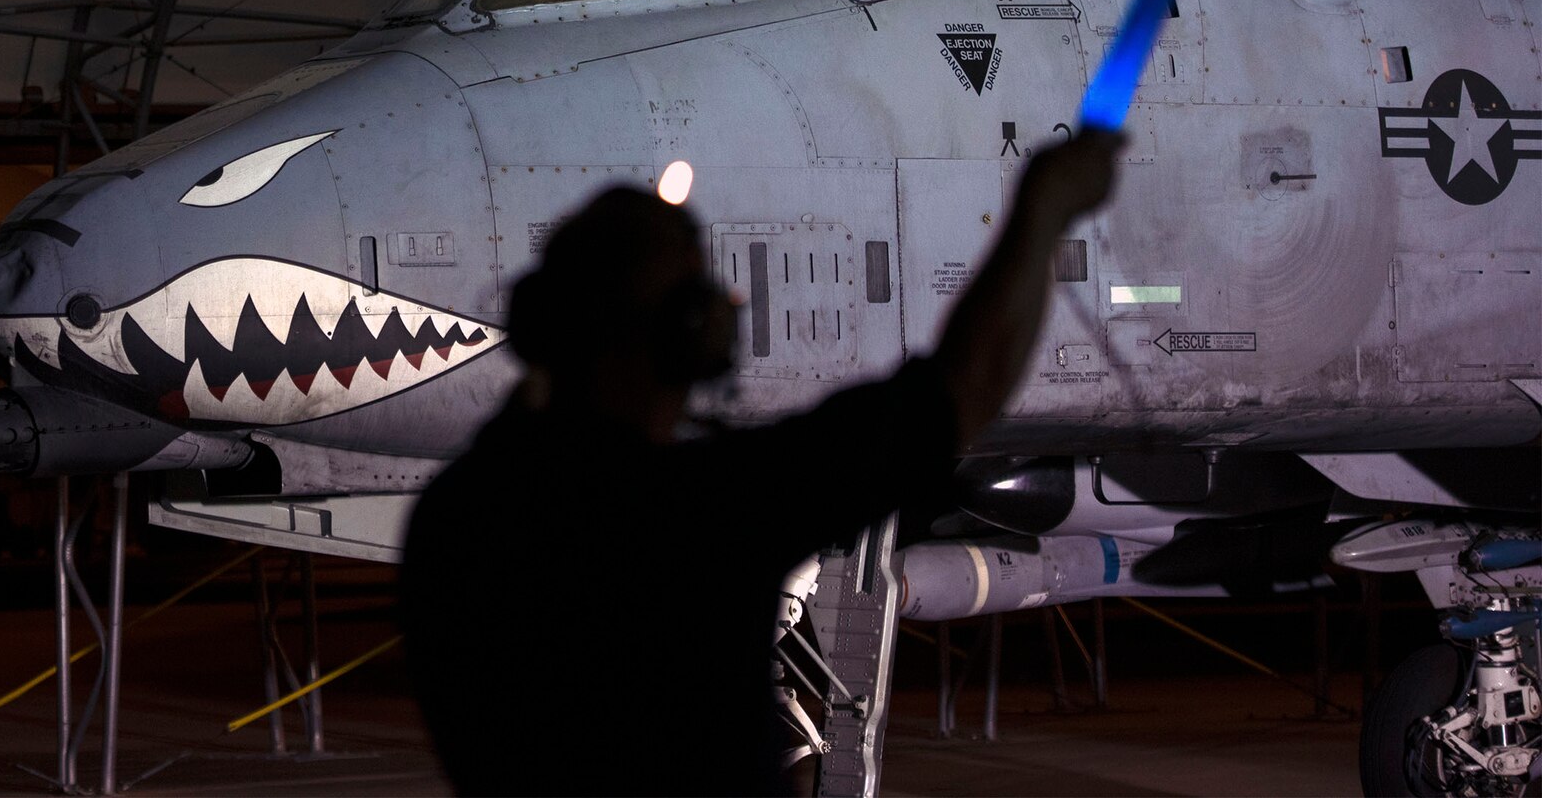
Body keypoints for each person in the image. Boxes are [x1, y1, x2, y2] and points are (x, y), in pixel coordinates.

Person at [401, 131, 1123, 796]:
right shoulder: (701, 508)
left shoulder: (453, 518)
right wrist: (1045, 208)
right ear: (688, 336)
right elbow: (964, 388)